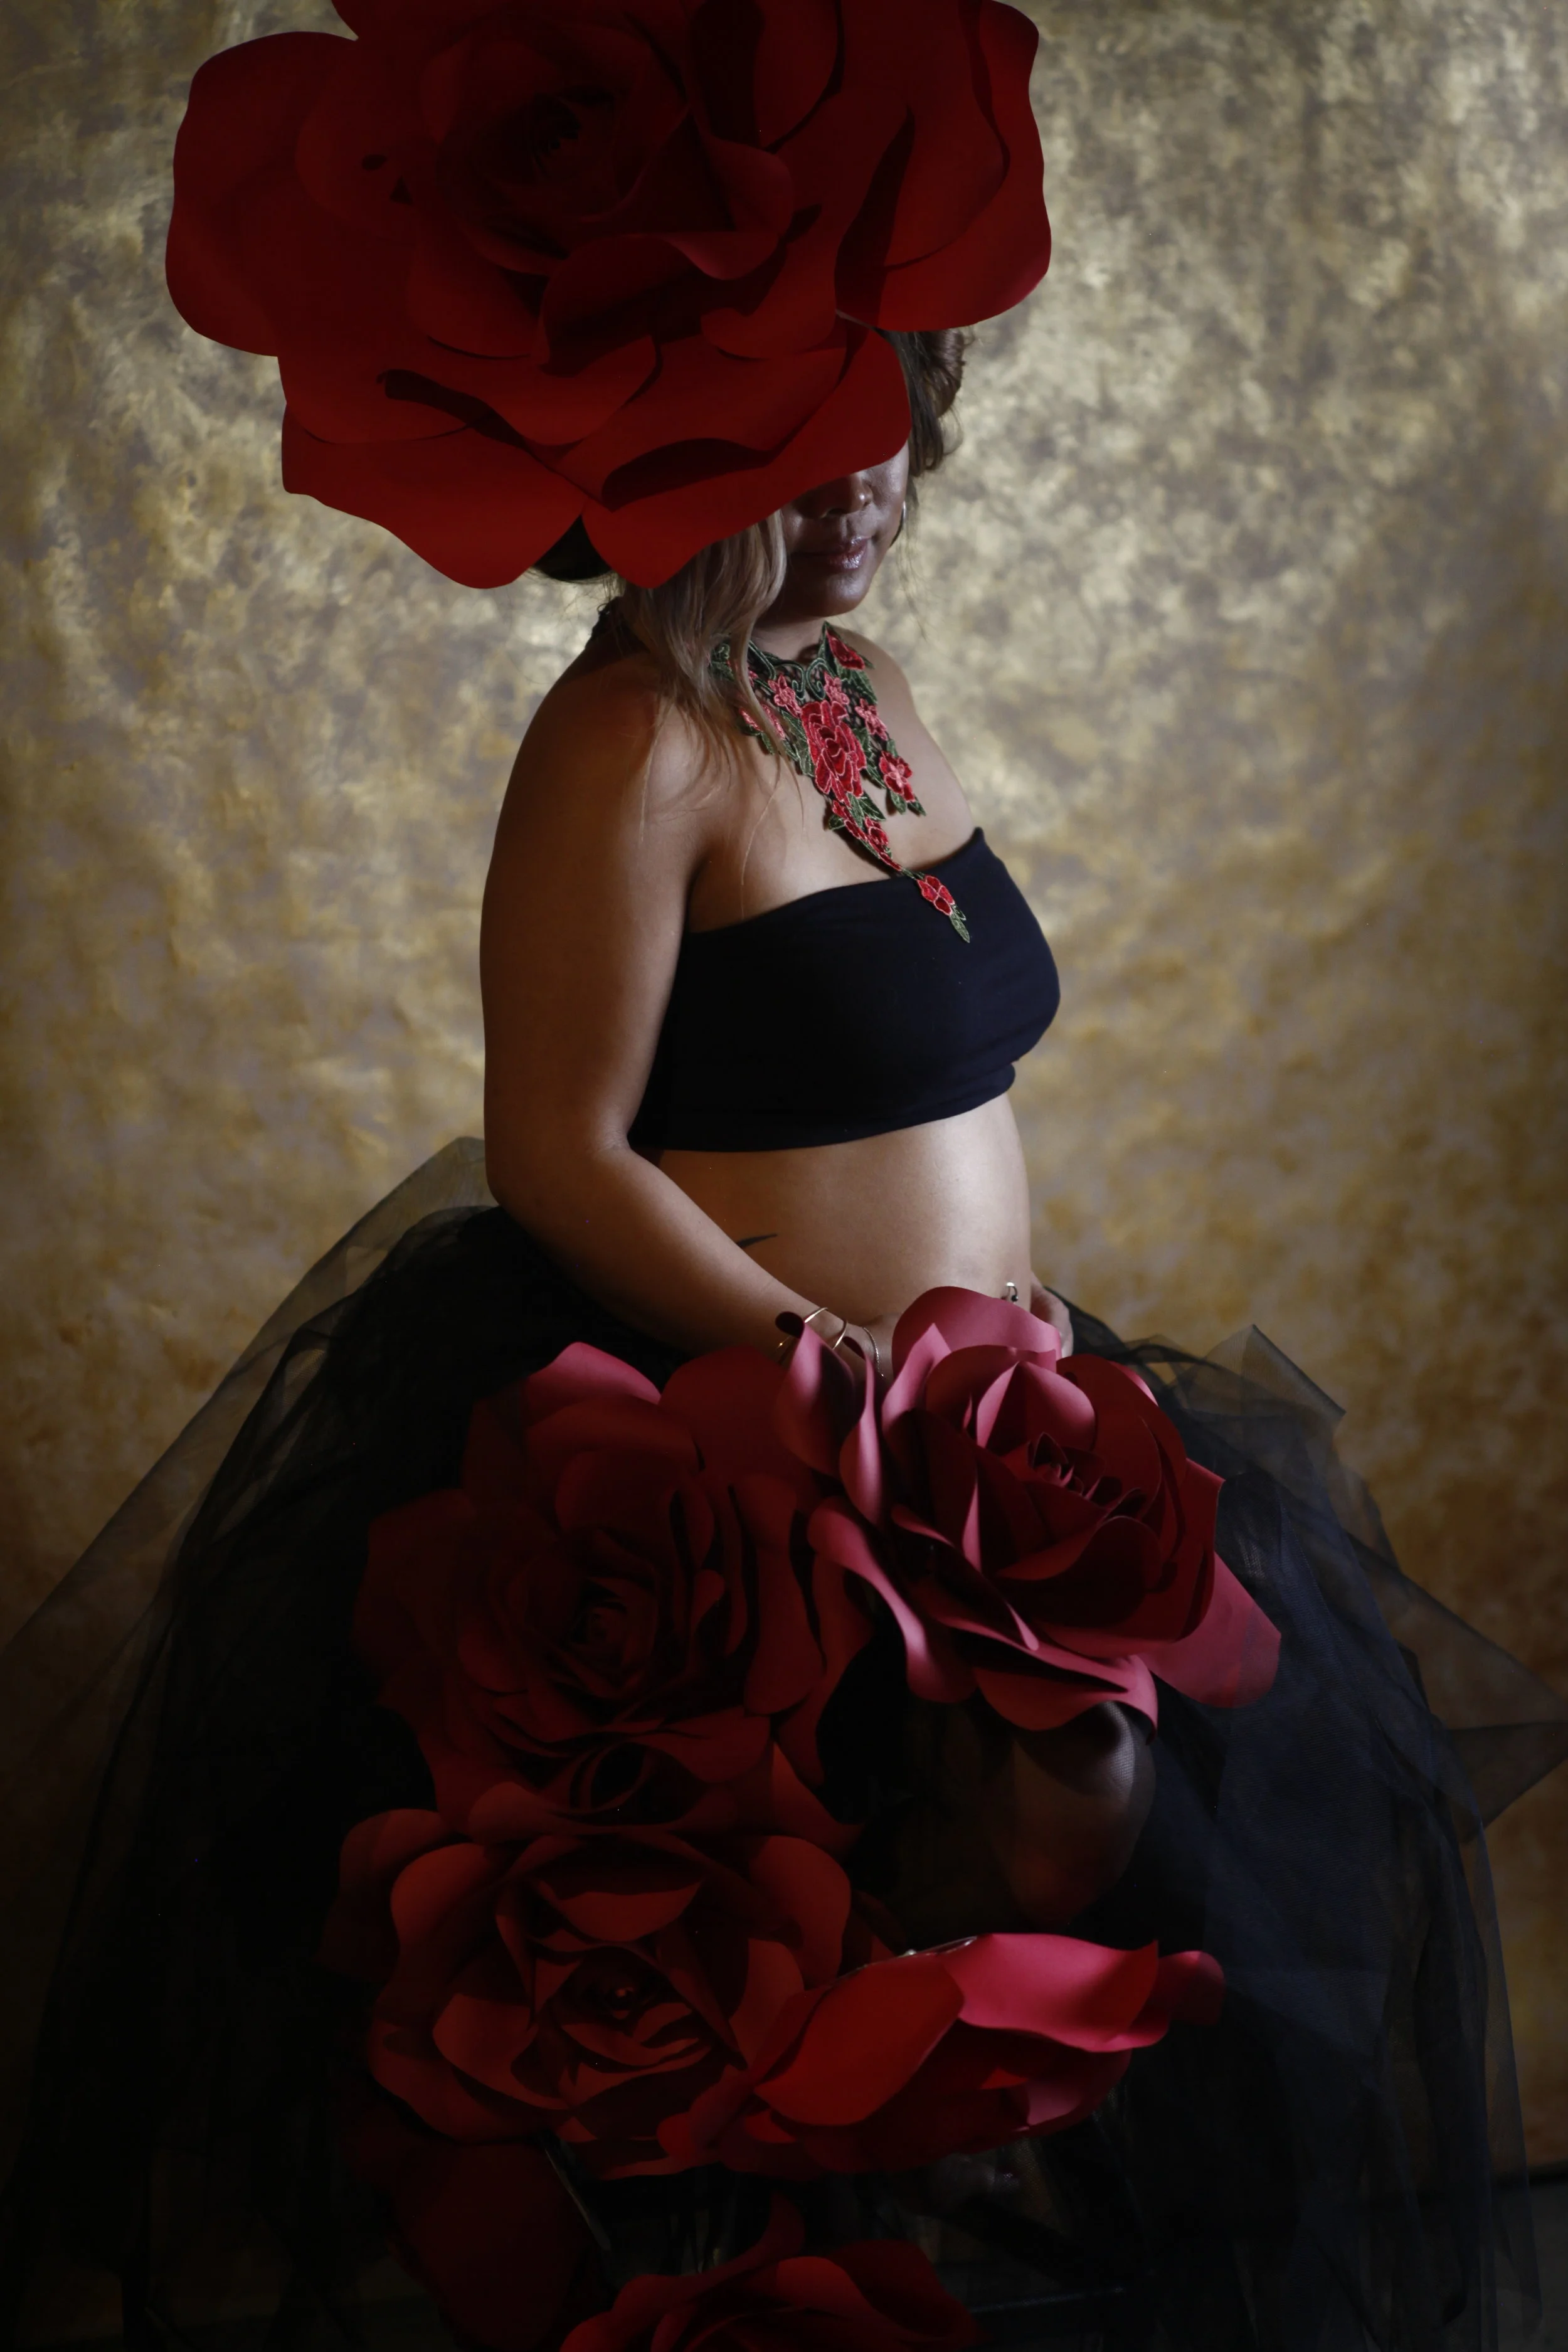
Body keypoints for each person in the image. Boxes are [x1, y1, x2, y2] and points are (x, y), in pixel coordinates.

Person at [1, 6, 1564, 2350]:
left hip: (970, 1416)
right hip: (741, 1417)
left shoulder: (866, 688)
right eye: (805, 457)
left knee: (1096, 1851)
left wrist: (980, 1386)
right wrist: (834, 1374)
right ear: (671, 470)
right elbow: (555, 1148)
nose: (868, 492)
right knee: (858, 1921)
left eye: (893, 426)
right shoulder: (627, 737)